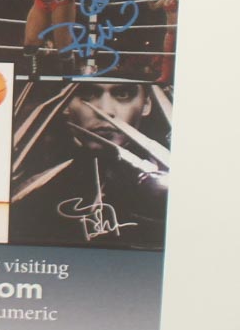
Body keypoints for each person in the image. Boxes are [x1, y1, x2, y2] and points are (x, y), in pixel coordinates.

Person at [9, 81, 169, 249]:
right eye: (88, 94)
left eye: (123, 94)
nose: (105, 111)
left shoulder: (171, 186)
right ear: (65, 104)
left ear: (146, 104)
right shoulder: (29, 194)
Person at [143, 0, 179, 83]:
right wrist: (148, 0)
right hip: (170, 31)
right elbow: (153, 7)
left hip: (180, 31)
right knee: (167, 55)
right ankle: (164, 77)